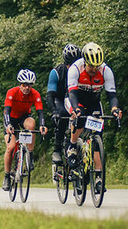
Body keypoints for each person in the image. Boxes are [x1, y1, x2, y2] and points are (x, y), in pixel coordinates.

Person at [65, 42, 122, 193]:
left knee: (97, 138)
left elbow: (112, 95)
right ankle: (72, 146)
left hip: (94, 103)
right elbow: (72, 93)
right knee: (80, 119)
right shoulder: (76, 68)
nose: (94, 69)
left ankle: (98, 177)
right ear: (84, 62)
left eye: (97, 66)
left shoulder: (106, 71)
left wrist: (115, 109)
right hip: (76, 100)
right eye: (91, 66)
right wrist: (76, 109)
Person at [2, 69, 47, 191]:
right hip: (10, 119)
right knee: (10, 147)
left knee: (32, 124)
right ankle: (6, 175)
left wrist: (42, 125)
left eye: (29, 85)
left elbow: (40, 112)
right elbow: (6, 110)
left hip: (23, 117)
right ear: (19, 84)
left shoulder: (35, 94)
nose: (27, 88)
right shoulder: (12, 92)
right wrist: (8, 125)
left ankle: (29, 155)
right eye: (24, 85)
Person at [46, 44, 82, 163]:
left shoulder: (82, 71)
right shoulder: (56, 72)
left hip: (75, 98)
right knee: (62, 115)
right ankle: (56, 150)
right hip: (60, 99)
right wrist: (54, 111)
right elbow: (50, 94)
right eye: (70, 64)